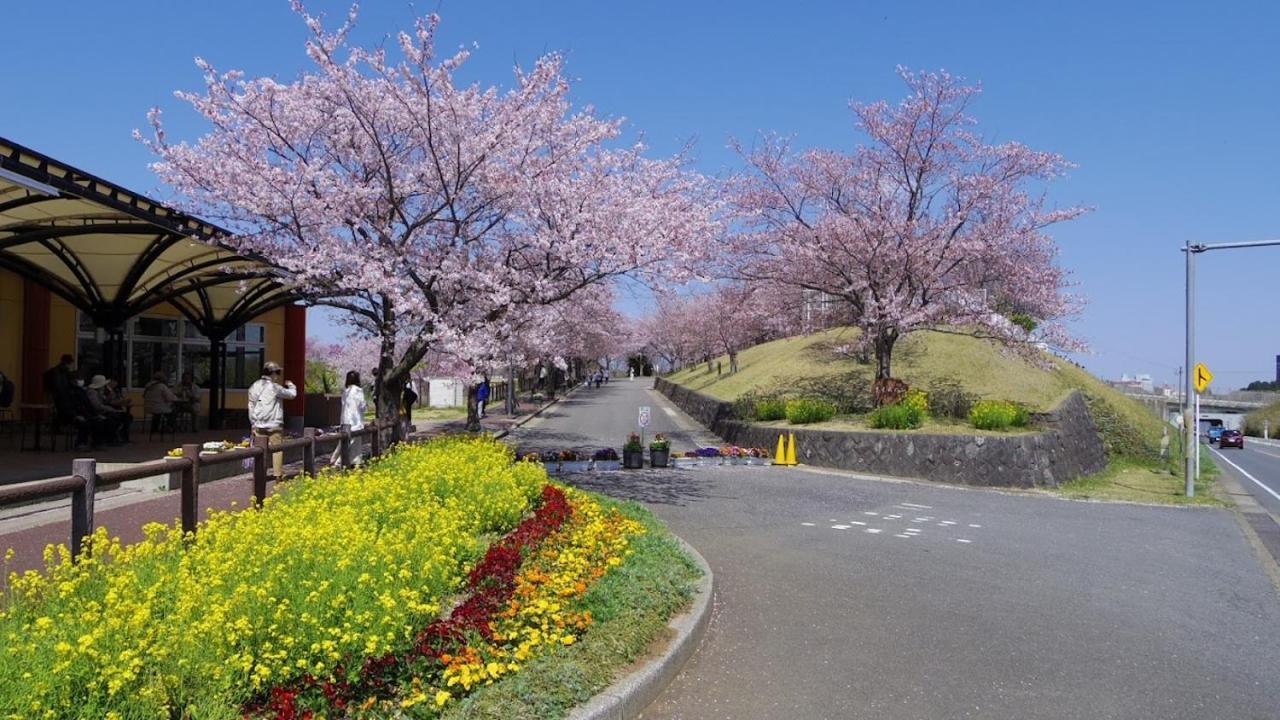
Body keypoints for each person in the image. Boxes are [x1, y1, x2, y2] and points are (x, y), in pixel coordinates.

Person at [248, 361, 297, 480]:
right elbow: (292, 395)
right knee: (277, 450)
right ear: (273, 373)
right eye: (278, 372)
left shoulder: (254, 386)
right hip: (274, 423)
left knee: (259, 451)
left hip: (258, 423)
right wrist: (291, 385)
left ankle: (259, 474)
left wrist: (253, 422)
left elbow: (251, 405)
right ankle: (278, 475)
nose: (278, 375)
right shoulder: (274, 387)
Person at [332, 370, 366, 467]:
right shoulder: (359, 391)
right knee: (354, 443)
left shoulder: (345, 392)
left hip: (345, 421)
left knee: (345, 442)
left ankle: (339, 460)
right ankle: (339, 461)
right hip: (356, 421)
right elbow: (362, 406)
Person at [86, 375, 131, 443]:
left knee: (125, 416)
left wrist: (108, 398)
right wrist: (111, 409)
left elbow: (104, 401)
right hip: (97, 412)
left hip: (104, 411)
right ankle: (111, 439)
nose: (104, 386)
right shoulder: (92, 392)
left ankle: (119, 437)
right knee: (114, 419)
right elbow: (97, 405)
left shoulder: (99, 391)